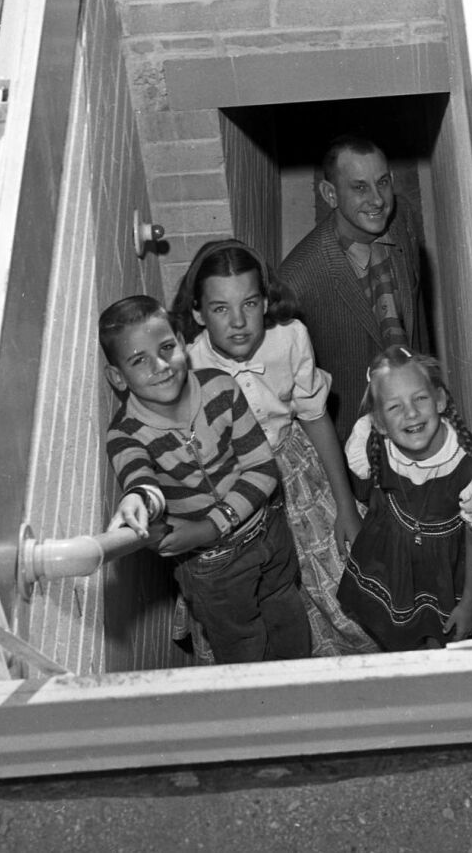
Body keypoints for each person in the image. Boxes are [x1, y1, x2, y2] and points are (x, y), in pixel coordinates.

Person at [171, 239, 377, 657]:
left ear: (265, 301)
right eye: (220, 309)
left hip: (294, 466)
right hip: (233, 486)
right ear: (197, 312)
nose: (239, 322)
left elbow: (314, 417)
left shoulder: (290, 337)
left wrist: (346, 504)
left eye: (249, 303)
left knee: (341, 579)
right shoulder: (188, 366)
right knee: (256, 594)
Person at [100, 294, 312, 664]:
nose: (161, 365)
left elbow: (263, 469)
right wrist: (137, 500)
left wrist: (211, 526)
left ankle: (302, 692)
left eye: (167, 347)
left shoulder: (220, 387)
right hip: (214, 567)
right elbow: (140, 480)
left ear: (182, 344)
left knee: (287, 612)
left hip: (268, 530)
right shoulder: (126, 434)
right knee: (242, 645)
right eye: (139, 360)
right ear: (118, 377)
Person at [277, 134, 433, 444]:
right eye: (359, 187)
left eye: (383, 182)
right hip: (356, 440)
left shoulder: (402, 222)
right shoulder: (297, 277)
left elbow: (419, 321)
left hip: (419, 419)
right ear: (330, 194)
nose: (377, 200)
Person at [337, 347, 472, 652]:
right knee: (397, 629)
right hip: (393, 556)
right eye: (394, 407)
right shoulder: (372, 441)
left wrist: (470, 603)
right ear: (379, 423)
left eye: (419, 399)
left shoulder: (469, 466)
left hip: (446, 567)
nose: (410, 413)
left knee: (443, 633)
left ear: (439, 400)